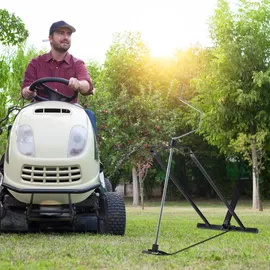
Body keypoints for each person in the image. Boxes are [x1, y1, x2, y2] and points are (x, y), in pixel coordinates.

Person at [21, 20, 97, 134]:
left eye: (69, 34)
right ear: (50, 38)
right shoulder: (36, 63)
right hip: (39, 113)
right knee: (21, 117)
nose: (66, 37)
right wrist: (27, 92)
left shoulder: (77, 64)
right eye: (61, 33)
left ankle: (90, 152)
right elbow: (25, 90)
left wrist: (79, 83)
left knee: (89, 115)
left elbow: (87, 85)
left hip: (70, 113)